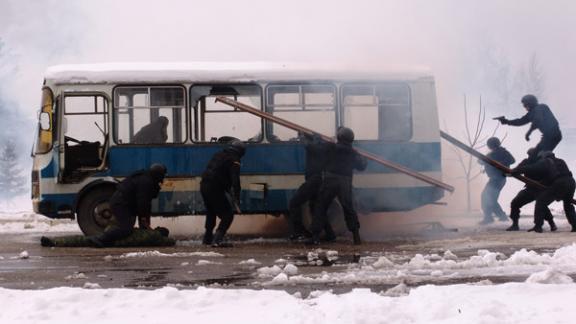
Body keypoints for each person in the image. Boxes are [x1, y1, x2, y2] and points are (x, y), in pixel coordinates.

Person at [307, 127, 367, 245]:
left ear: (339, 137)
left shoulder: (331, 147)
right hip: (345, 182)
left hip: (330, 180)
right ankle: (356, 237)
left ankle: (315, 237)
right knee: (349, 209)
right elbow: (362, 167)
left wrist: (315, 139)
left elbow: (316, 150)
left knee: (321, 207)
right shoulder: (353, 152)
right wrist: (363, 158)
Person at [89, 163, 167, 247]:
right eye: (162, 175)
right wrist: (144, 218)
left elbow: (146, 204)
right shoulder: (146, 182)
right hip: (120, 204)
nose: (163, 178)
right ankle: (100, 239)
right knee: (126, 229)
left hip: (125, 204)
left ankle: (107, 241)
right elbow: (143, 203)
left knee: (128, 227)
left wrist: (145, 225)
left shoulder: (147, 178)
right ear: (158, 175)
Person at [287, 133, 336, 242]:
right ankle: (330, 234)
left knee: (294, 203)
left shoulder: (315, 148)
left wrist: (302, 137)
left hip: (314, 180)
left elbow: (308, 145)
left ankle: (299, 232)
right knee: (316, 208)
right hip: (319, 179)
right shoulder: (326, 147)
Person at [512, 151, 576, 233]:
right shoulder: (560, 161)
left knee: (541, 202)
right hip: (571, 182)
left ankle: (538, 226)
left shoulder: (546, 161)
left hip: (559, 183)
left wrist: (518, 170)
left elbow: (533, 168)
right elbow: (552, 174)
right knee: (568, 205)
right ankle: (575, 226)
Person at [200, 139, 246, 247]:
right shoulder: (234, 160)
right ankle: (217, 240)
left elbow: (217, 172)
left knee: (211, 212)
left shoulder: (219, 154)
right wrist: (237, 197)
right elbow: (235, 181)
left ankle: (207, 239)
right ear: (240, 152)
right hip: (214, 188)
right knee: (228, 215)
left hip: (204, 185)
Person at [506, 148, 556, 231]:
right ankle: (515, 225)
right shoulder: (526, 162)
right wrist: (508, 173)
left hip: (541, 188)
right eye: (530, 155)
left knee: (541, 206)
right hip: (530, 188)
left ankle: (551, 224)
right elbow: (516, 170)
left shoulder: (544, 162)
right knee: (515, 203)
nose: (531, 156)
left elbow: (548, 173)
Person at [495, 94, 562, 155]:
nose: (524, 107)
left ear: (530, 103)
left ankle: (547, 165)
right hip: (548, 136)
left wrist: (529, 132)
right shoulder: (531, 113)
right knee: (535, 154)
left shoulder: (541, 107)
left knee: (540, 155)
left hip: (553, 135)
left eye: (525, 105)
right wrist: (506, 121)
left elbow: (537, 119)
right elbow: (520, 121)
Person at [478, 137, 515, 225]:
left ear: (492, 144)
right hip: (495, 178)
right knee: (491, 198)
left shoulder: (502, 152)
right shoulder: (493, 153)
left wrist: (499, 163)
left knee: (486, 197)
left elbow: (512, 160)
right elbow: (480, 161)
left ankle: (489, 218)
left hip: (498, 178)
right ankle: (500, 216)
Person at [41, 227, 175, 247]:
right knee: (83, 241)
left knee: (82, 240)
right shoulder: (157, 239)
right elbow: (171, 242)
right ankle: (54, 242)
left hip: (113, 238)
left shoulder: (149, 233)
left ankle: (54, 242)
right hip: (115, 241)